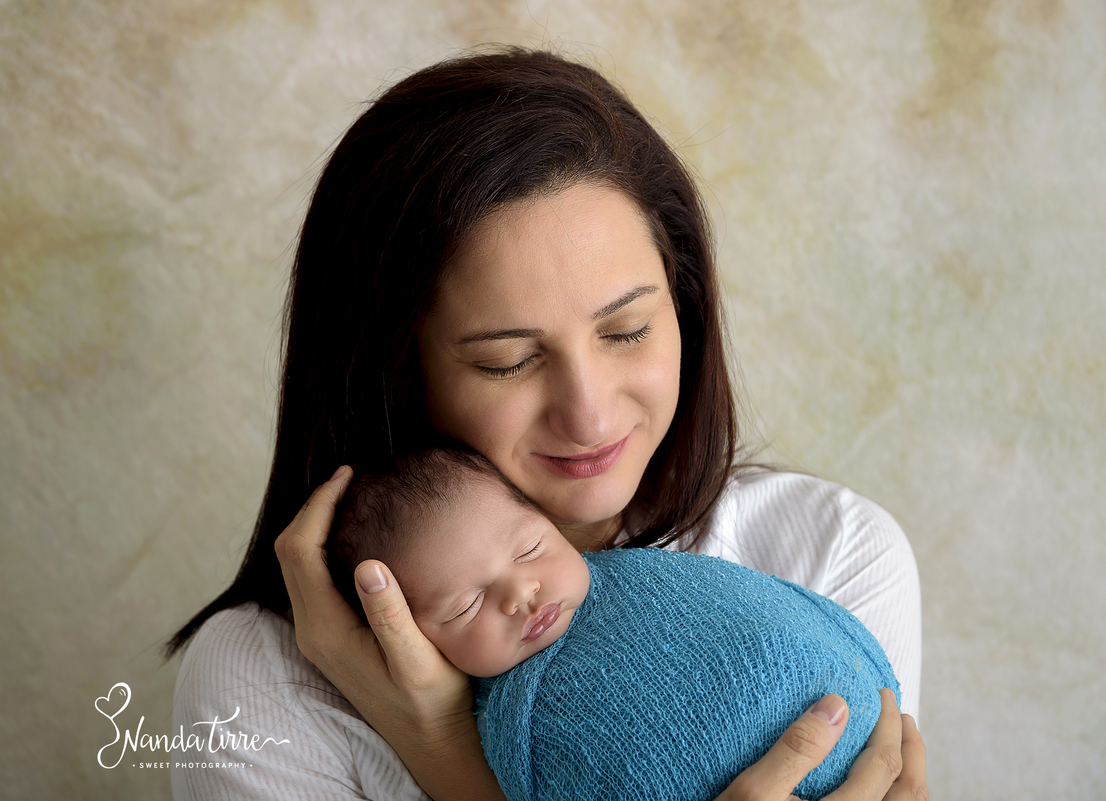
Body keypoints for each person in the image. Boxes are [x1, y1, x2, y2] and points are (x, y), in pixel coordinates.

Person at [167, 47, 925, 801]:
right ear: (393, 371)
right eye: (508, 361)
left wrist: (445, 751)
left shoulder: (831, 549)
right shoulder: (261, 686)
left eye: (627, 330)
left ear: (684, 307)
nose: (590, 413)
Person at [325, 448, 902, 801]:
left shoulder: (655, 573)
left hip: (858, 731)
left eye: (530, 549)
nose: (520, 594)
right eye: (465, 607)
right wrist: (443, 738)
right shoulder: (516, 726)